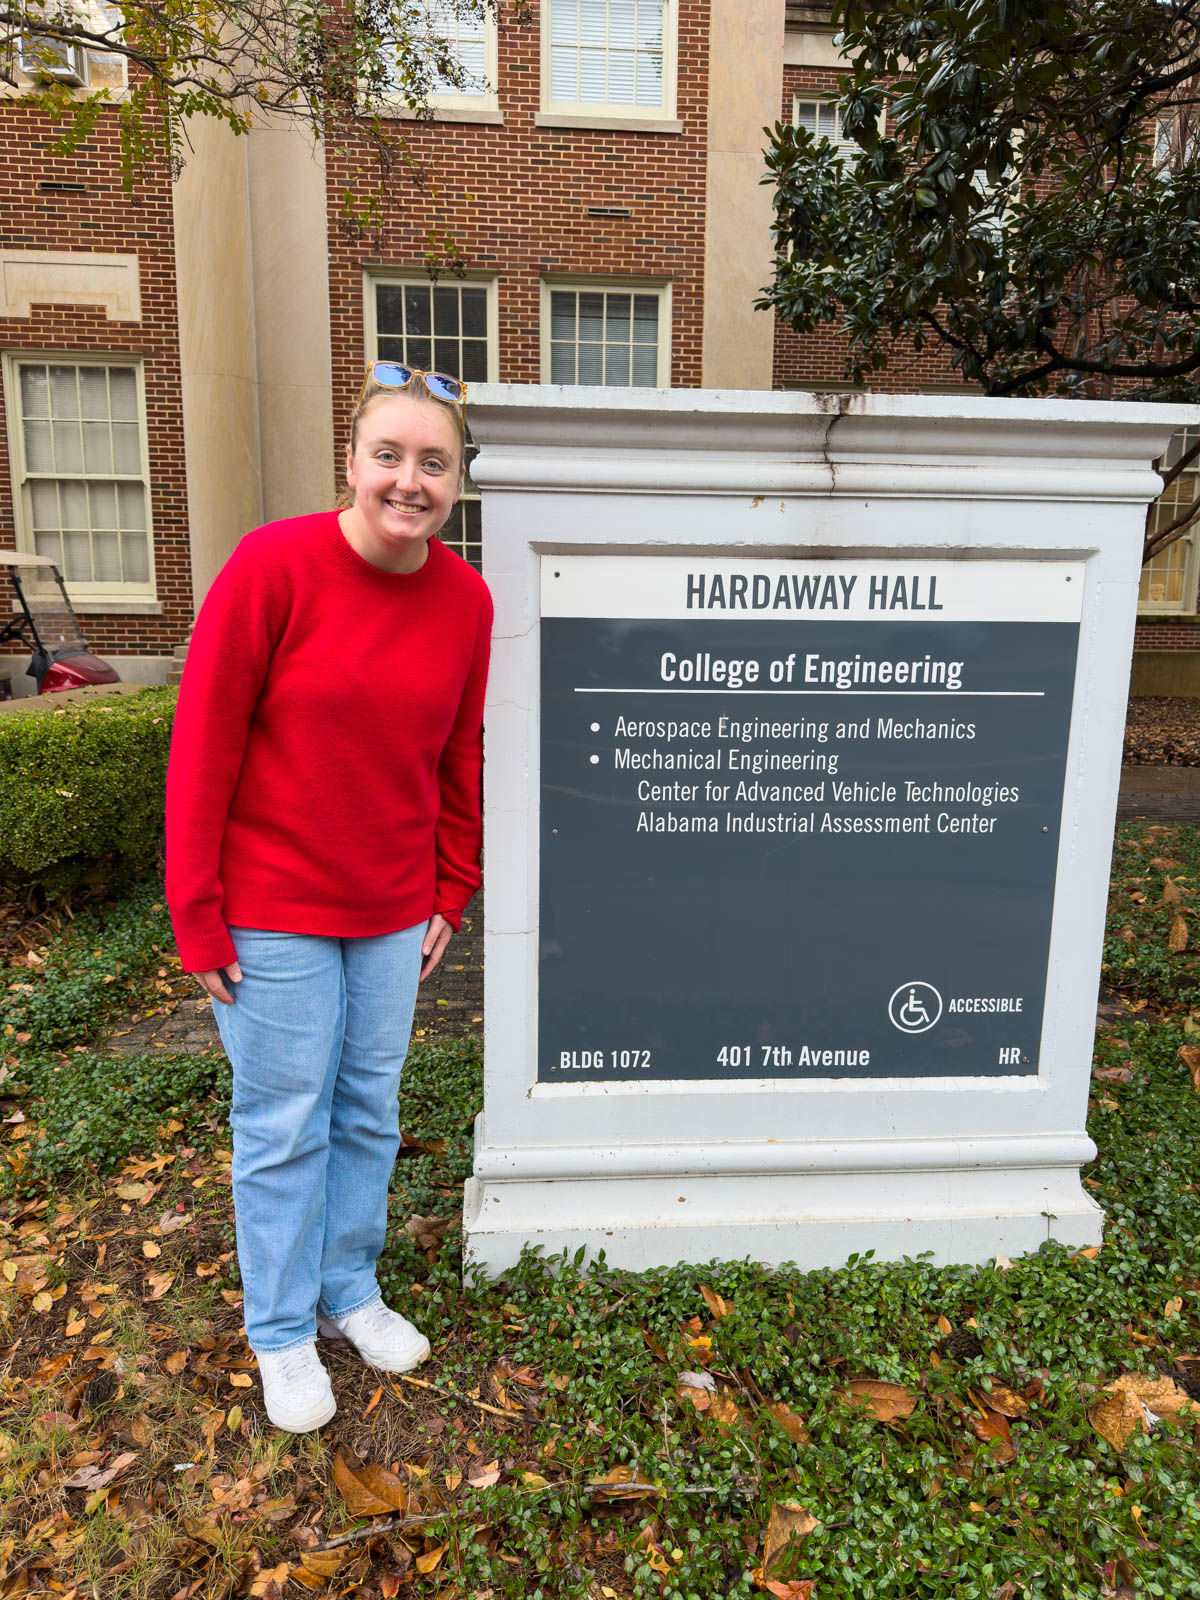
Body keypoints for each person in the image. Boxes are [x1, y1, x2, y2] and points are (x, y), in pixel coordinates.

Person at [165, 364, 492, 1433]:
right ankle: (280, 1330)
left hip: (395, 908)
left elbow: (457, 752)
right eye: (388, 455)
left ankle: (349, 1289)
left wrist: (455, 881)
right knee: (283, 1120)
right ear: (349, 464)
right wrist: (195, 907)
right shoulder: (273, 569)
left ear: (457, 483)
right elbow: (204, 744)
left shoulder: (465, 599)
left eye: (432, 463)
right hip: (273, 904)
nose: (409, 480)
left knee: (368, 1108)